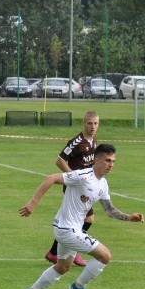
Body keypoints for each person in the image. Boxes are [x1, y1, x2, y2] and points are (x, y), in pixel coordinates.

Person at [19, 143, 145, 289]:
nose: (111, 165)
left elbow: (108, 209)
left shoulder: (103, 184)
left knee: (63, 267)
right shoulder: (83, 175)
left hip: (70, 229)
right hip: (66, 229)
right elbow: (51, 178)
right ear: (97, 159)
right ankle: (77, 288)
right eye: (108, 160)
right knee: (105, 256)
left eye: (113, 161)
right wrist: (33, 203)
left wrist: (129, 217)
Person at [44, 111, 100, 267]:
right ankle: (73, 253)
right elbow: (60, 161)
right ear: (84, 123)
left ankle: (54, 252)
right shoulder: (77, 142)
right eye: (89, 123)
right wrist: (73, 177)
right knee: (87, 219)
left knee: (75, 222)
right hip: (75, 188)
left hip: (84, 188)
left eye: (95, 123)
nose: (93, 126)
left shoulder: (93, 140)